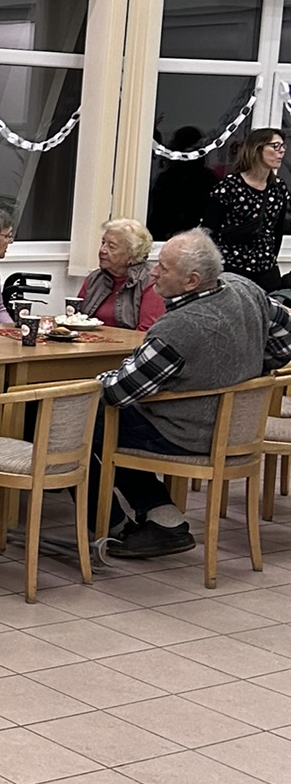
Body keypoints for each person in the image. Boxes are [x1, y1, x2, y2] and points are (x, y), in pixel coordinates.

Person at [96, 228, 291, 559]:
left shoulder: (178, 329)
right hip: (239, 429)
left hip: (190, 433)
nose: (153, 273)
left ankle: (121, 524)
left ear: (192, 281)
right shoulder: (245, 289)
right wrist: (250, 369)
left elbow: (118, 391)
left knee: (92, 417)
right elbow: (286, 338)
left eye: (164, 268)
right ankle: (162, 517)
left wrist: (92, 381)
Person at [203, 127, 290, 291]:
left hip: (265, 269)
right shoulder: (230, 186)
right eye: (275, 146)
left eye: (282, 146)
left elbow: (277, 230)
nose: (281, 151)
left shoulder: (278, 188)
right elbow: (209, 229)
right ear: (256, 149)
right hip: (231, 268)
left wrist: (271, 258)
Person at [78, 218, 166, 330]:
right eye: (103, 243)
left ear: (132, 254)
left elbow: (146, 331)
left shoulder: (151, 281)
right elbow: (76, 319)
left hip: (129, 342)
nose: (102, 250)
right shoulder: (94, 278)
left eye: (111, 246)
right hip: (88, 340)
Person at [147, 129, 219, 240]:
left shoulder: (167, 178)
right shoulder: (209, 178)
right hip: (195, 237)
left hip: (169, 236)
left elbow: (158, 216)